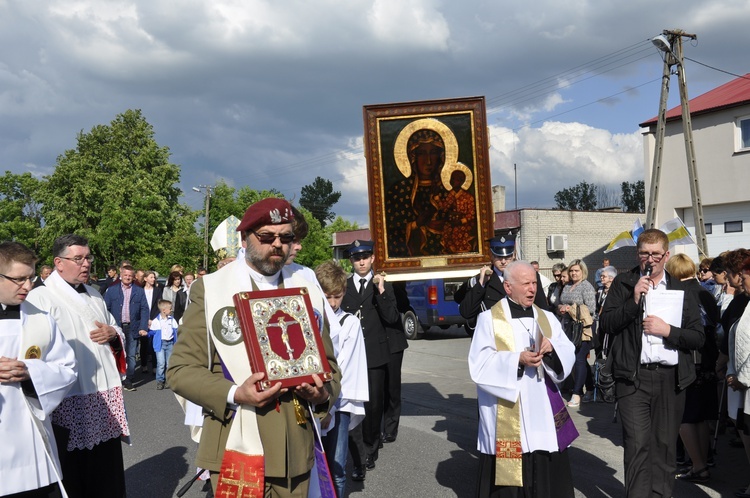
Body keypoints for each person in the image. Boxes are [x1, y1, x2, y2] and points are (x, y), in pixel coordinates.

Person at [167, 198, 340, 497]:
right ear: (245, 238)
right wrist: (235, 393)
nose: (277, 245)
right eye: (266, 237)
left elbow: (330, 365)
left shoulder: (307, 286)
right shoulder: (210, 290)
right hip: (235, 442)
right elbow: (181, 370)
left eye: (286, 238)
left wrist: (323, 393)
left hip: (295, 450)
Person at [600, 228, 704, 498]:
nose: (650, 259)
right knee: (636, 445)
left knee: (664, 446)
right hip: (633, 378)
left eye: (656, 254)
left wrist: (668, 330)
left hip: (670, 380)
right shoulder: (624, 283)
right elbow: (607, 325)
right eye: (644, 253)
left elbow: (697, 337)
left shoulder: (682, 288)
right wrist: (633, 300)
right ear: (638, 254)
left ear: (666, 255)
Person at [26, 234, 130, 498]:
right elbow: (34, 351)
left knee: (107, 469)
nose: (86, 264)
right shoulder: (41, 298)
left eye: (88, 258)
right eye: (78, 259)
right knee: (74, 472)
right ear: (58, 262)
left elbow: (114, 328)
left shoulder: (95, 294)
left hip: (104, 393)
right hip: (69, 397)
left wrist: (113, 334)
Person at [468, 260, 576, 497]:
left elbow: (568, 352)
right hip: (508, 406)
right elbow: (479, 365)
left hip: (541, 407)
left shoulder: (547, 317)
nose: (532, 289)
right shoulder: (489, 320)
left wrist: (552, 350)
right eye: (526, 283)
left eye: (534, 283)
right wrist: (517, 360)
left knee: (543, 457)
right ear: (508, 287)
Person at [0, 241, 77, 498]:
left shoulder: (41, 318)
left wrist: (31, 372)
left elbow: (67, 369)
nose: (28, 286)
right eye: (19, 279)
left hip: (32, 442)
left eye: (31, 277)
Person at [341, 239, 401, 481]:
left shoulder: (382, 284)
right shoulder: (344, 285)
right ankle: (359, 449)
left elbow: (392, 316)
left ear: (373, 258)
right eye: (357, 258)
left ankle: (369, 449)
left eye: (365, 256)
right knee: (356, 403)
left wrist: (382, 291)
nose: (362, 261)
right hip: (352, 354)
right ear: (351, 261)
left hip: (375, 354)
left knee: (374, 404)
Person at [315, 260, 368, 498]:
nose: (333, 303)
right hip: (312, 401)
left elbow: (344, 368)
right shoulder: (311, 320)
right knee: (315, 464)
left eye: (337, 296)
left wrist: (329, 409)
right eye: (327, 297)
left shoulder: (350, 323)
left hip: (340, 402)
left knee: (336, 467)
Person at [665, 254, 719, 483]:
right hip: (708, 360)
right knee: (701, 416)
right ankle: (702, 462)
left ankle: (697, 465)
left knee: (685, 416)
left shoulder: (680, 294)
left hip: (688, 359)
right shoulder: (706, 292)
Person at [459, 233, 548, 334]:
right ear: (491, 256)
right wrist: (481, 284)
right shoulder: (484, 280)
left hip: (524, 335)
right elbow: (466, 313)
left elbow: (542, 309)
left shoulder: (529, 275)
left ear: (514, 255)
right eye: (499, 257)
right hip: (494, 337)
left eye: (508, 257)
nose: (503, 261)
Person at [557, 259, 597, 407]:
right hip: (569, 327)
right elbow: (561, 302)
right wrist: (562, 307)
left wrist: (571, 309)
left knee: (579, 359)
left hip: (583, 328)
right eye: (572, 270)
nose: (574, 273)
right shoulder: (567, 286)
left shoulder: (586, 286)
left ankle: (577, 393)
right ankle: (591, 388)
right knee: (579, 360)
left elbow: (591, 309)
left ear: (583, 272)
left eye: (577, 271)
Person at [104, 264, 149, 391]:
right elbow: (105, 309)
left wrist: (143, 326)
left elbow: (145, 309)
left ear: (133, 277)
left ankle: (128, 379)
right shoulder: (112, 290)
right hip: (116, 327)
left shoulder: (139, 291)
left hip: (133, 327)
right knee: (115, 353)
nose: (128, 277)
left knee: (131, 355)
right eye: (125, 275)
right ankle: (116, 378)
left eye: (130, 276)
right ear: (121, 275)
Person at [142, 299, 178, 391]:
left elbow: (176, 331)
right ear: (164, 310)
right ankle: (160, 381)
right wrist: (147, 333)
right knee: (161, 363)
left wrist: (177, 342)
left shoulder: (172, 320)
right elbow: (152, 332)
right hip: (160, 344)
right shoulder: (156, 321)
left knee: (169, 364)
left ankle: (168, 380)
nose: (171, 310)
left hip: (170, 343)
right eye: (170, 309)